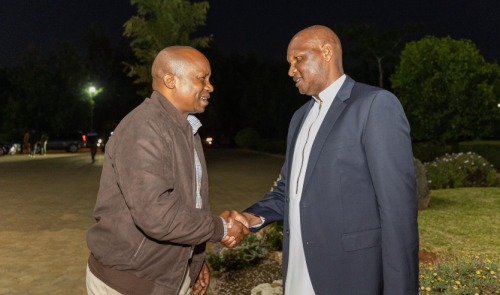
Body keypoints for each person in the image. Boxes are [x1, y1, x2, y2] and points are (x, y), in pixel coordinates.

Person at [233, 25, 419, 294]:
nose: (290, 71)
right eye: (289, 63)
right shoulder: (299, 118)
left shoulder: (375, 105)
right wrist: (251, 217)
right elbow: (290, 189)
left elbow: (398, 211)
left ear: (327, 52)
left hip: (351, 276)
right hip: (297, 272)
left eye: (298, 59)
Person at [86, 46, 249, 295]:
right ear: (171, 80)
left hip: (167, 278)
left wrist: (193, 261)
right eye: (202, 78)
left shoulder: (186, 129)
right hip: (131, 283)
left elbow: (186, 205)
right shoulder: (145, 127)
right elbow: (157, 216)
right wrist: (221, 228)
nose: (210, 86)